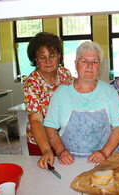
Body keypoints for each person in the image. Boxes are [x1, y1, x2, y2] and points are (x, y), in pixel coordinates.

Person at [43, 41, 119, 165]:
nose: (90, 66)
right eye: (84, 61)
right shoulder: (61, 93)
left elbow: (118, 127)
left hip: (102, 162)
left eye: (95, 62)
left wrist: (105, 152)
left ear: (99, 66)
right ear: (76, 64)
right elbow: (50, 126)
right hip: (68, 161)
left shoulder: (109, 92)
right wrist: (60, 151)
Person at [23, 32, 72, 168]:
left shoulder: (65, 74)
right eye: (42, 57)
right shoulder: (31, 83)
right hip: (41, 140)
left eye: (52, 56)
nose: (48, 61)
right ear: (35, 60)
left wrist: (74, 85)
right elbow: (36, 120)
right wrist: (46, 149)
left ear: (59, 56)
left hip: (62, 136)